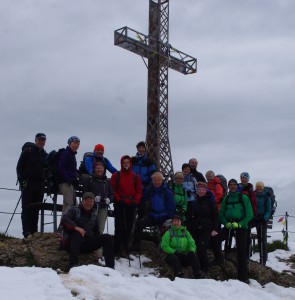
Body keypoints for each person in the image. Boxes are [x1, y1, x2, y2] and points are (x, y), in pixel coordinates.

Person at [212, 179, 254, 283]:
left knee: (241, 251)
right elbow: (221, 213)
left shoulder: (243, 197)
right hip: (229, 225)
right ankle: (220, 259)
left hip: (241, 226)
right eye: (230, 185)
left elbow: (249, 214)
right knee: (215, 239)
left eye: (234, 185)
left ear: (237, 186)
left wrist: (240, 224)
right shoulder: (226, 198)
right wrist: (226, 223)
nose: (232, 186)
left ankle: (242, 277)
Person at [61, 192, 115, 269]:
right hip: (71, 244)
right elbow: (64, 220)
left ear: (93, 203)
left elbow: (97, 233)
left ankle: (110, 268)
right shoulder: (74, 210)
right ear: (82, 201)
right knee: (77, 233)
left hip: (86, 244)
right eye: (86, 201)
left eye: (91, 201)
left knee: (107, 237)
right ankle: (73, 265)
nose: (88, 203)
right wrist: (76, 228)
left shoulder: (94, 215)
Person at [131, 172, 175, 251]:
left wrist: (170, 218)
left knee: (167, 230)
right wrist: (135, 201)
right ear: (152, 181)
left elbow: (171, 205)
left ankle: (166, 248)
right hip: (153, 215)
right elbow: (143, 198)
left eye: (158, 180)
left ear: (162, 180)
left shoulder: (167, 191)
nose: (156, 182)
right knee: (139, 224)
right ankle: (136, 244)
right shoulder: (150, 189)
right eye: (155, 180)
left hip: (164, 216)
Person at [110, 155, 142, 258]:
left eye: (128, 162)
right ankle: (116, 250)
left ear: (130, 163)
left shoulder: (135, 176)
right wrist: (118, 199)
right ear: (121, 163)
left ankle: (125, 250)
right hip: (120, 204)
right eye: (124, 163)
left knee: (129, 227)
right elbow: (112, 188)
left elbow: (139, 190)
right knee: (119, 227)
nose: (126, 164)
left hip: (131, 204)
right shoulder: (116, 175)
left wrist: (136, 201)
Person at [16, 133, 47, 238]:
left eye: (43, 140)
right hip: (28, 183)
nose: (41, 142)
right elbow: (19, 167)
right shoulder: (27, 151)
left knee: (36, 208)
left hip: (40, 184)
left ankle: (34, 231)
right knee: (27, 207)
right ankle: (26, 231)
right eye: (40, 139)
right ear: (35, 140)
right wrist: (22, 181)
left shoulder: (45, 154)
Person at [187, 182, 219, 274]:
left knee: (201, 246)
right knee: (196, 246)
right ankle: (198, 267)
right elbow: (191, 215)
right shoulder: (195, 201)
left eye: (203, 189)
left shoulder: (210, 201)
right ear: (197, 191)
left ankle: (204, 268)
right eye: (199, 189)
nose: (201, 191)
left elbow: (215, 216)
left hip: (207, 228)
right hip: (196, 227)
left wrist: (215, 229)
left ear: (206, 190)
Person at [160, 215, 204, 279]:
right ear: (172, 223)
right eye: (175, 221)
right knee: (174, 258)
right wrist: (174, 252)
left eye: (178, 221)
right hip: (171, 255)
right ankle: (179, 274)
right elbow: (164, 246)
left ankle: (198, 273)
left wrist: (191, 250)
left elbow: (191, 243)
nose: (176, 223)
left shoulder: (185, 232)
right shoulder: (168, 233)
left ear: (181, 222)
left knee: (192, 254)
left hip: (183, 255)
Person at [83, 162, 114, 235]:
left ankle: (98, 243)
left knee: (101, 227)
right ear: (94, 169)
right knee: (90, 226)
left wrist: (109, 200)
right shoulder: (90, 180)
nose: (99, 170)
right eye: (97, 168)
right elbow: (84, 193)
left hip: (103, 208)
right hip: (91, 208)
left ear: (103, 169)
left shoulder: (107, 181)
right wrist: (92, 198)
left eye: (101, 168)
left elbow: (112, 194)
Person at [58, 136, 80, 215]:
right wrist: (69, 179)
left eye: (78, 143)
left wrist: (76, 175)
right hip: (65, 182)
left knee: (67, 204)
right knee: (73, 204)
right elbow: (61, 167)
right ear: (69, 143)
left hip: (68, 182)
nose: (76, 145)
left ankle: (63, 226)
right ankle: (65, 223)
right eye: (74, 143)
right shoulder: (66, 153)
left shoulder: (71, 154)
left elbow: (70, 169)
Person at [254, 181, 271, 265]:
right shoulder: (253, 195)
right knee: (256, 236)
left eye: (260, 186)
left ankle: (263, 260)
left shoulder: (267, 196)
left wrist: (264, 218)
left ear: (263, 187)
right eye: (257, 186)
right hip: (255, 218)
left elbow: (269, 209)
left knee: (262, 238)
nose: (259, 188)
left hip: (263, 219)